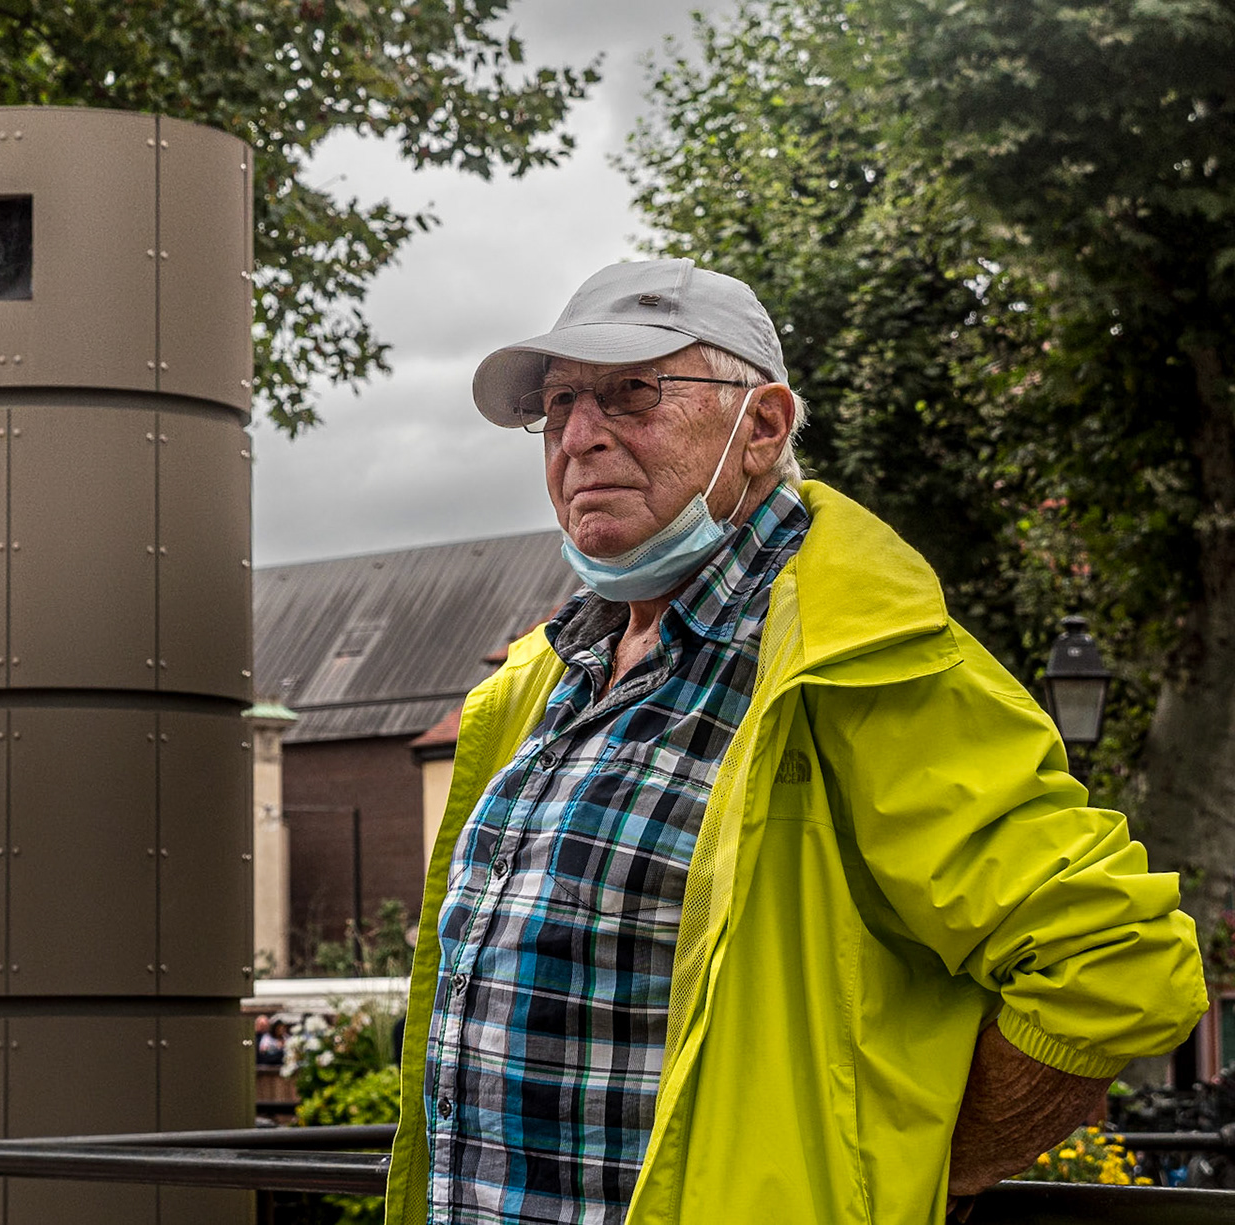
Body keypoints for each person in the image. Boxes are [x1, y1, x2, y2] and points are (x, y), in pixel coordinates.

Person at [383, 258, 1208, 1225]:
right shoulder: (536, 681)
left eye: (630, 393)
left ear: (763, 427)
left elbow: (1116, 960)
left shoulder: (855, 657)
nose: (578, 436)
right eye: (558, 405)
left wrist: (883, 1186)